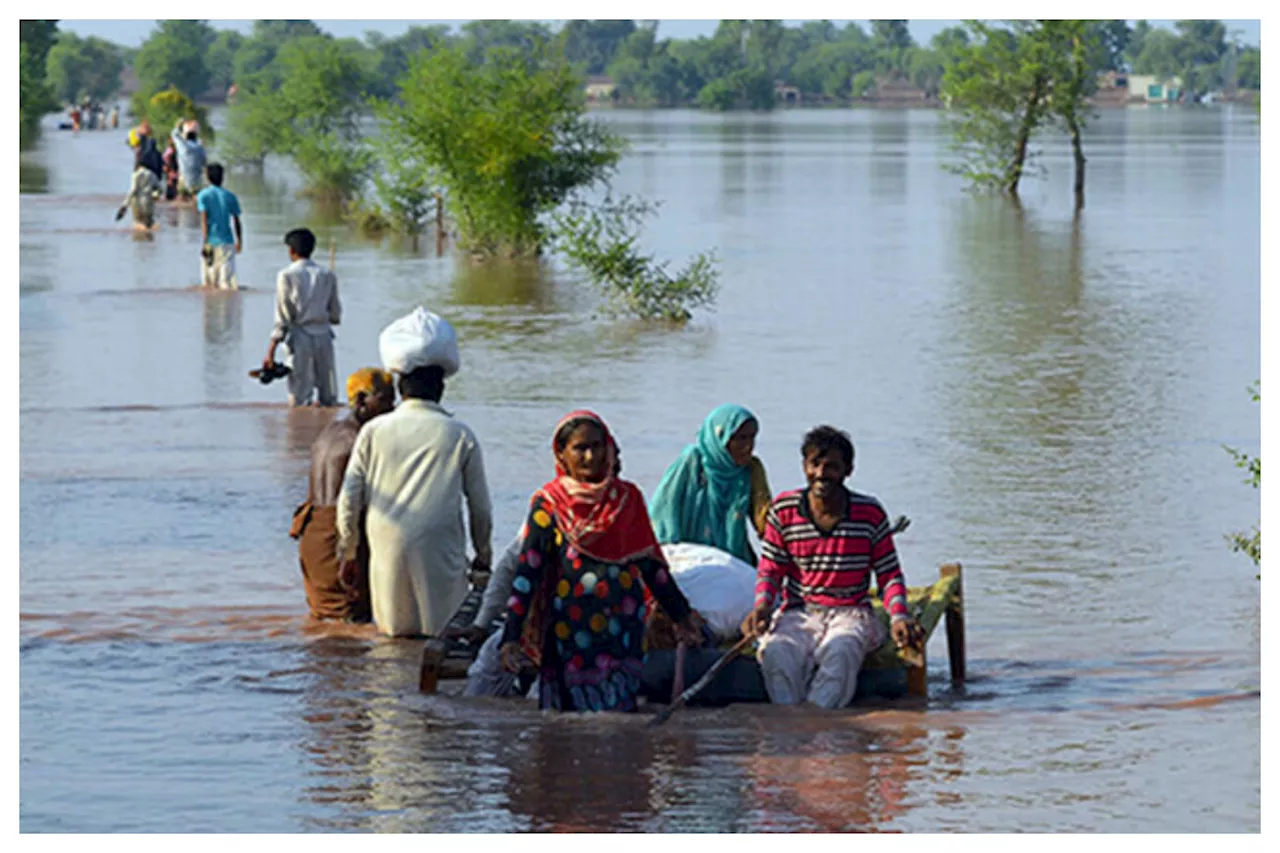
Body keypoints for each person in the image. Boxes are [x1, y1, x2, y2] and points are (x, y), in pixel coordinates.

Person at [498, 410, 703, 712]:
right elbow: (529, 570)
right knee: (571, 721)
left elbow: (652, 568)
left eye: (597, 446)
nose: (590, 456)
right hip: (570, 632)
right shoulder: (549, 504)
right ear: (562, 454)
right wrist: (510, 636)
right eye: (580, 448)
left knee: (618, 713)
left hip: (622, 628)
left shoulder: (627, 499)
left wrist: (682, 616)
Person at [740, 425, 924, 709]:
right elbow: (770, 570)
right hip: (799, 612)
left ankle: (821, 731)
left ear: (848, 470)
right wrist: (762, 607)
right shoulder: (784, 510)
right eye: (815, 465)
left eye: (832, 467)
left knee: (841, 652)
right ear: (804, 466)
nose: (822, 474)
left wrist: (899, 615)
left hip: (849, 612)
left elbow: (889, 575)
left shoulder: (869, 513)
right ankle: (790, 730)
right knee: (776, 653)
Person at [336, 362, 494, 638]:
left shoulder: (373, 432)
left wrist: (348, 550)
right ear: (441, 389)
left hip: (387, 545)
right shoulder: (459, 434)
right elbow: (480, 507)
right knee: (442, 637)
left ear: (400, 389)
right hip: (441, 550)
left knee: (391, 640)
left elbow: (349, 498)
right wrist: (483, 556)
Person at [291, 368, 396, 623]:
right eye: (384, 400)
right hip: (337, 537)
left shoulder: (330, 431)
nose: (392, 408)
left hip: (312, 533)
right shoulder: (362, 439)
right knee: (350, 625)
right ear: (361, 401)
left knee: (324, 625)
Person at [648, 404, 773, 565]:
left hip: (734, 559)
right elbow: (665, 510)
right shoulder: (693, 462)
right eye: (741, 438)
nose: (749, 446)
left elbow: (764, 519)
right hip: (690, 558)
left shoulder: (751, 469)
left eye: (752, 437)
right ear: (721, 437)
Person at [262, 228, 340, 407]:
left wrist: (271, 350)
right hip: (324, 337)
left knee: (299, 398)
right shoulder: (327, 274)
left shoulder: (286, 275)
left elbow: (282, 317)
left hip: (299, 339)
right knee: (329, 396)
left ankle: (299, 431)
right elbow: (335, 314)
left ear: (291, 251)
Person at [195, 163, 242, 290]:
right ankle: (226, 309)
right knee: (226, 284)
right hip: (227, 242)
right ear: (222, 177)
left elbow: (204, 219)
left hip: (211, 240)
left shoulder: (203, 195)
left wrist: (205, 242)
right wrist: (239, 241)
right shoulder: (230, 196)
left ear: (207, 177)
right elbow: (236, 220)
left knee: (209, 284)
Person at [116, 159, 161, 230]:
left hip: (137, 203)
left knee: (139, 225)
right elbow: (159, 188)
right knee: (149, 224)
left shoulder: (136, 174)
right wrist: (155, 196)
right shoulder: (152, 174)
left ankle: (140, 240)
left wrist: (124, 205)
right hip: (149, 202)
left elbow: (133, 190)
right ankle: (149, 239)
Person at [170, 118, 207, 199]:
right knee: (196, 203)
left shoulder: (182, 146)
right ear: (196, 135)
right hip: (197, 180)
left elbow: (174, 134)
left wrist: (179, 123)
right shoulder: (200, 147)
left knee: (182, 201)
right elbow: (204, 162)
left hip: (184, 179)